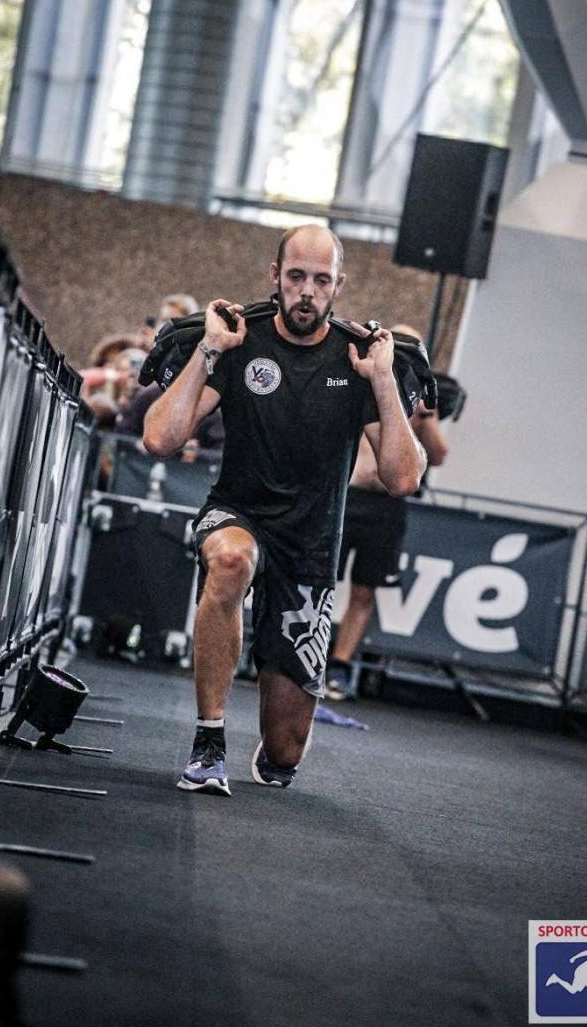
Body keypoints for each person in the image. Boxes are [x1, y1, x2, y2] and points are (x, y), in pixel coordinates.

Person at [143, 224, 426, 795]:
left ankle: (271, 732)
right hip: (237, 514)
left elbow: (403, 478)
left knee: (283, 757)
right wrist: (208, 350)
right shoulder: (239, 340)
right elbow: (159, 439)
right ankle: (209, 742)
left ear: (338, 285)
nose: (307, 292)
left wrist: (383, 383)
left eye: (321, 280)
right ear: (275, 276)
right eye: (296, 276)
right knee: (231, 561)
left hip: (311, 545)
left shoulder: (358, 358)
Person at [325, 324, 448, 700]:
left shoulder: (416, 394)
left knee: (364, 591)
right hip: (347, 496)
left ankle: (340, 666)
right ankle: (302, 654)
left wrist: (425, 419)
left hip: (387, 505)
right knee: (319, 578)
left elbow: (439, 455)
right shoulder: (359, 378)